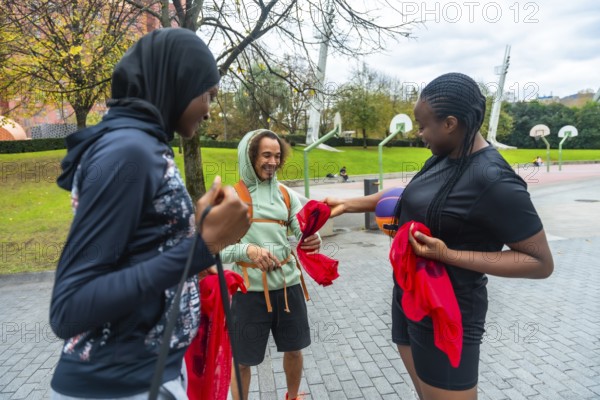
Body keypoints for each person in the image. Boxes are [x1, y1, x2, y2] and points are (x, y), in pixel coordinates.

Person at [324, 72, 554, 400]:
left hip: (448, 313)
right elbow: (412, 195)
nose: (419, 133)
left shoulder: (494, 180)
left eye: (422, 125)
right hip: (410, 297)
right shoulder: (444, 157)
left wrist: (447, 255)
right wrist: (347, 204)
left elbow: (540, 262)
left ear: (449, 123)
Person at [50, 28, 250, 399]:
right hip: (117, 386)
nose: (209, 111)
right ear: (180, 81)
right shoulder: (129, 150)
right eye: (209, 95)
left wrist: (193, 234)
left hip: (145, 377)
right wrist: (201, 248)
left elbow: (134, 253)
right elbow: (69, 309)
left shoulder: (141, 143)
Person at [220, 129, 321, 400]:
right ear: (249, 156)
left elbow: (303, 230)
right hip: (248, 292)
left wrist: (312, 237)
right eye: (266, 155)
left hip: (289, 287)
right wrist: (247, 250)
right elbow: (213, 249)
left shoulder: (286, 194)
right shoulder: (231, 197)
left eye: (277, 156)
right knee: (241, 361)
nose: (273, 162)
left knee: (295, 350)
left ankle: (292, 396)